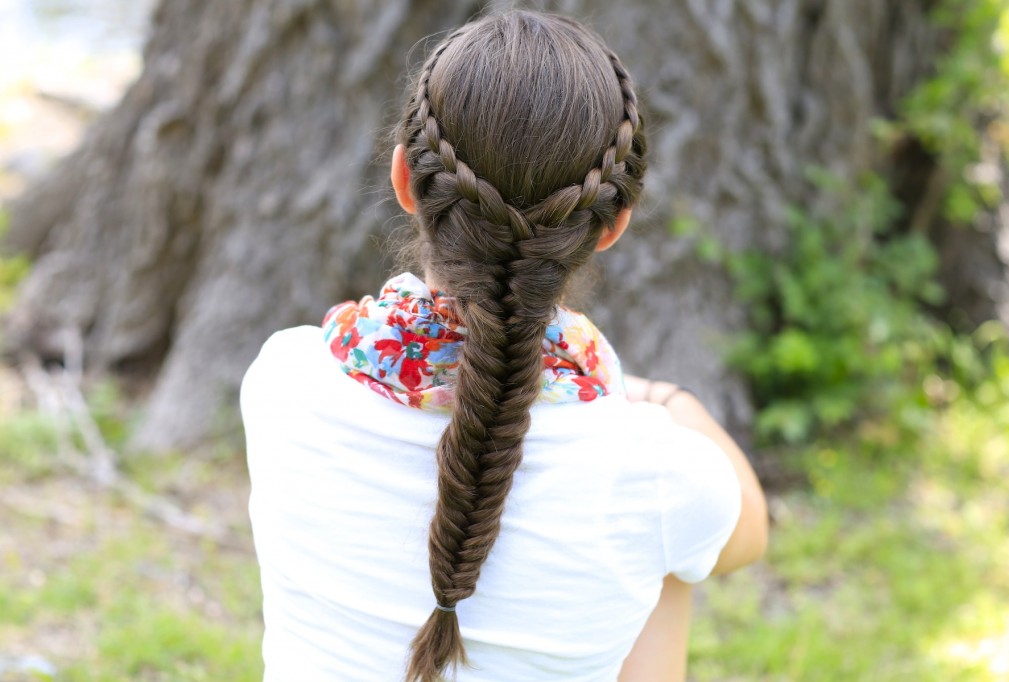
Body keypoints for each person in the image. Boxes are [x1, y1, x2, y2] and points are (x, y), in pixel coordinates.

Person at [241, 9, 768, 682]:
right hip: (641, 457)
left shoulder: (285, 380)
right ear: (612, 227)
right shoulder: (654, 474)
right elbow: (746, 534)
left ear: (405, 180)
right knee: (667, 569)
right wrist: (663, 400)